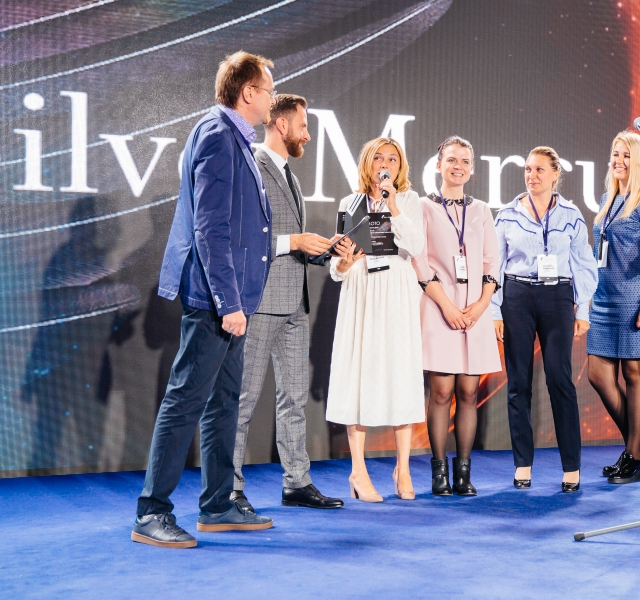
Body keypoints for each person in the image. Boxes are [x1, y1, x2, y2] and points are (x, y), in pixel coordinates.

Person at [133, 51, 276, 548]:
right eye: (269, 89)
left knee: (223, 402)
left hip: (232, 299)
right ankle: (152, 511)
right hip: (217, 300)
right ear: (248, 92)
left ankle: (217, 505)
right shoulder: (217, 135)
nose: (273, 98)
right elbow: (211, 229)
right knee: (186, 400)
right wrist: (229, 303)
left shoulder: (235, 137)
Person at [230, 94, 344, 512]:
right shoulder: (251, 166)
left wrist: (327, 250)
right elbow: (240, 236)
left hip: (296, 304)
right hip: (260, 302)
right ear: (281, 124)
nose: (308, 135)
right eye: (303, 126)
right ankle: (230, 488)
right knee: (242, 399)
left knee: (294, 399)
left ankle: (296, 482)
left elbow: (293, 244)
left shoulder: (289, 176)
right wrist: (294, 241)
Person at [491, 146, 598, 493]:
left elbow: (584, 262)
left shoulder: (571, 214)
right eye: (528, 169)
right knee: (518, 383)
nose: (532, 175)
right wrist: (495, 310)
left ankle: (571, 468)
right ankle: (522, 464)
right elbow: (495, 265)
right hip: (517, 297)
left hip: (558, 297)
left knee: (560, 379)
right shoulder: (507, 214)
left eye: (539, 169)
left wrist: (583, 310)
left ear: (555, 174)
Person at [326, 137, 426, 502]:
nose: (385, 164)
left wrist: (393, 204)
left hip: (397, 289)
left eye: (393, 159)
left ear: (400, 167)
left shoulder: (409, 200)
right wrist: (343, 262)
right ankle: (358, 470)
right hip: (361, 289)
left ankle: (403, 468)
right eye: (378, 158)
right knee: (359, 374)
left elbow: (415, 247)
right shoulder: (349, 203)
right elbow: (335, 270)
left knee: (401, 373)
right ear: (367, 163)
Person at [412, 136, 501, 497]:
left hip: (475, 310)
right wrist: (447, 306)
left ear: (472, 169)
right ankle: (439, 473)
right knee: (441, 391)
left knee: (468, 391)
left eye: (464, 161)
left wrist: (481, 305)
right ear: (438, 165)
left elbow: (492, 262)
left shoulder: (481, 210)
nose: (458, 166)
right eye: (451, 160)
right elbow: (419, 262)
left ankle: (463, 472)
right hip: (438, 308)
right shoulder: (423, 207)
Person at [587, 130, 640, 484]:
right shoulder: (608, 198)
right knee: (598, 375)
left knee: (634, 375)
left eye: (626, 155)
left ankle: (633, 457)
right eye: (615, 154)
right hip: (603, 298)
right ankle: (639, 450)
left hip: (635, 299)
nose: (618, 161)